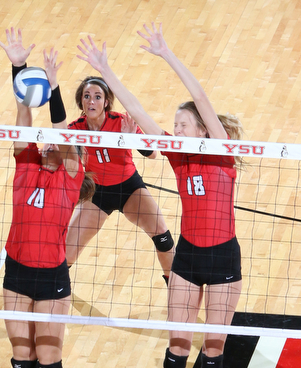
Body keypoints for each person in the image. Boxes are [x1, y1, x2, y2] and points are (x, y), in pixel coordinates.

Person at [76, 23, 244, 368]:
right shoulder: (177, 156)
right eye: (175, 124)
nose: (177, 129)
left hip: (224, 258)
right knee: (177, 348)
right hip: (187, 258)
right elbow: (136, 111)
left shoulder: (222, 154)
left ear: (202, 129)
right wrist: (105, 70)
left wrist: (166, 53)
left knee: (213, 352)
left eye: (183, 124)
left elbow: (200, 97)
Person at [0, 28, 95, 368]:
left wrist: (53, 88)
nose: (50, 141)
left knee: (49, 357)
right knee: (22, 357)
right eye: (47, 140)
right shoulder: (26, 165)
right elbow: (23, 123)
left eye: (58, 142)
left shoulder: (70, 177)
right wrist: (18, 70)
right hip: (17, 272)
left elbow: (62, 129)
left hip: (52, 275)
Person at [64, 49, 175, 283]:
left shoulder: (121, 122)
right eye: (86, 96)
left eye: (97, 96)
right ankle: (52, 290)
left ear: (106, 102)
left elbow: (154, 154)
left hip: (129, 188)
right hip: (96, 193)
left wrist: (132, 139)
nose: (91, 100)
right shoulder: (74, 129)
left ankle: (177, 290)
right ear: (81, 102)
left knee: (163, 236)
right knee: (65, 252)